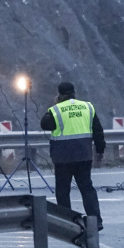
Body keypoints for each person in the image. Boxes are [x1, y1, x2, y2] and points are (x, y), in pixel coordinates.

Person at [40, 82, 105, 230]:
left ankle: (66, 221)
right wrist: (100, 150)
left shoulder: (56, 109)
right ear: (74, 93)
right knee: (87, 188)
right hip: (84, 155)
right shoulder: (87, 107)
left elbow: (44, 125)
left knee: (63, 190)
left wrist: (57, 104)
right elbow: (98, 131)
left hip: (63, 157)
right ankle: (96, 221)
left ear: (60, 94)